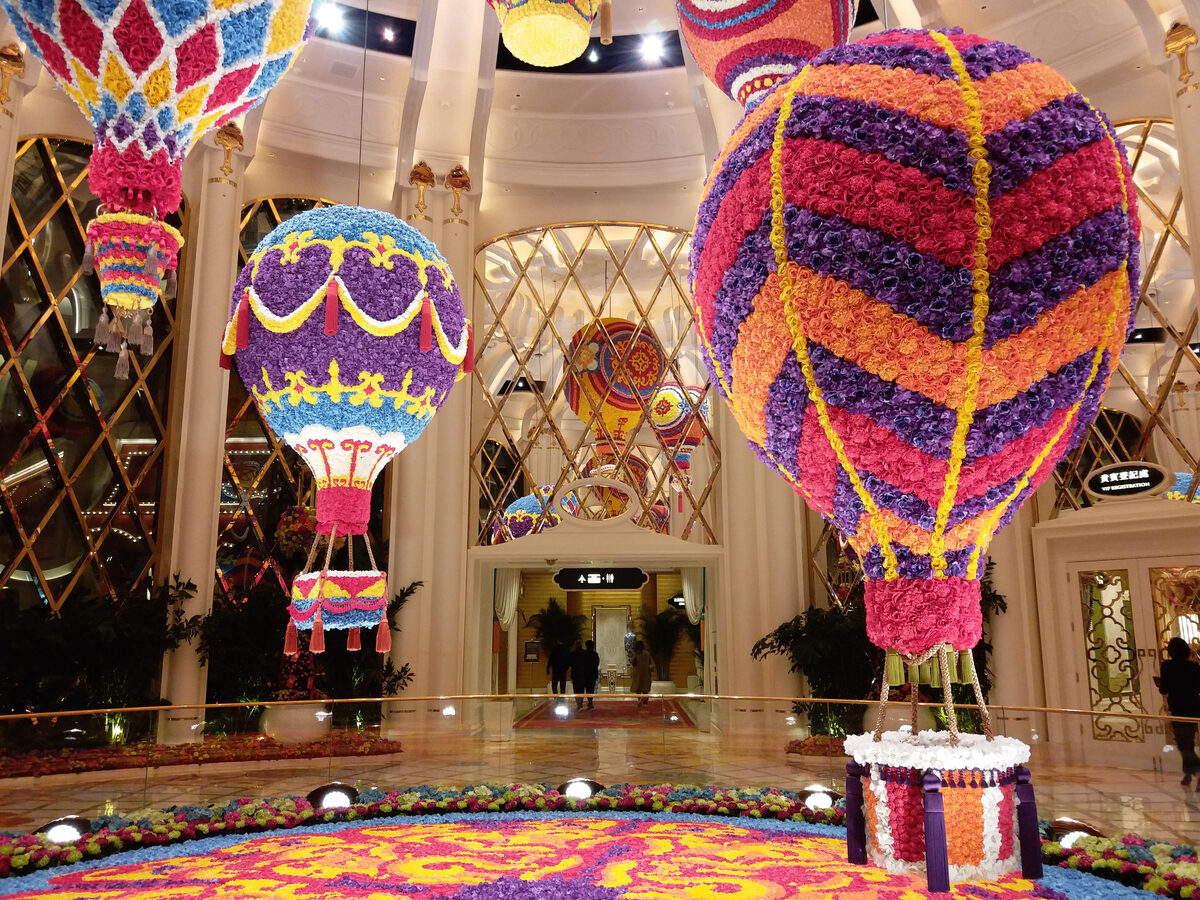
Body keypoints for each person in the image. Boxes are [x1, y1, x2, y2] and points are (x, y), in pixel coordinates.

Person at [1158, 637, 1200, 786]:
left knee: (1184, 744)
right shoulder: (1194, 667)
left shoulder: (1167, 666)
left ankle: (1195, 770)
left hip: (1178, 708)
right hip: (1194, 709)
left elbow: (1163, 689)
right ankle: (1188, 774)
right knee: (1187, 742)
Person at [571, 639, 601, 709]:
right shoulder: (594, 654)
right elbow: (597, 663)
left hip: (583, 675)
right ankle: (590, 703)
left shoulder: (583, 654)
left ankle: (580, 705)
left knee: (580, 690)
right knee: (590, 689)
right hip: (592, 675)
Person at [631, 639, 653, 706]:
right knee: (645, 689)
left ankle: (640, 700)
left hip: (638, 674)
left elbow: (633, 664)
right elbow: (650, 663)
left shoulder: (636, 654)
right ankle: (645, 702)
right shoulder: (647, 654)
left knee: (638, 688)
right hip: (646, 674)